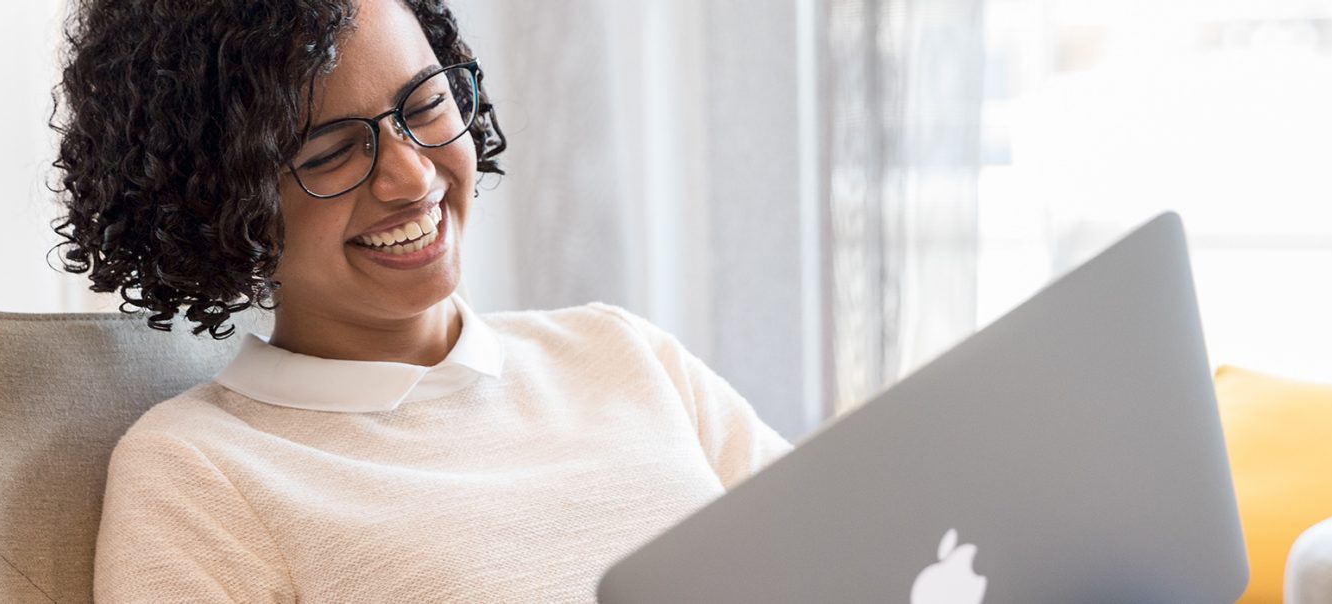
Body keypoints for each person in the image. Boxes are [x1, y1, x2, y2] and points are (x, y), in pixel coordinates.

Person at [51, 0, 792, 600]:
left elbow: (847, 556)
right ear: (217, 205)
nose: (411, 178)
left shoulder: (624, 355)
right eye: (331, 153)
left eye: (427, 103)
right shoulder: (199, 472)